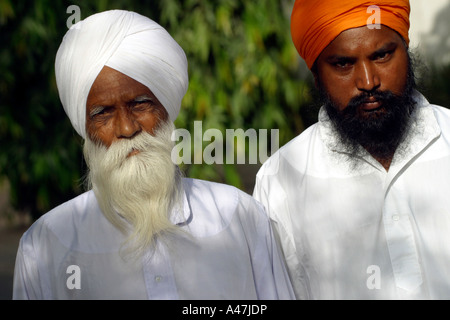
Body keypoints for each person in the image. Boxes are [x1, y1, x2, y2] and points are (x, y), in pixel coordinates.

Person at [12, 10, 294, 300]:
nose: (126, 128)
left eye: (140, 104)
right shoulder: (46, 246)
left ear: (165, 108)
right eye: (103, 113)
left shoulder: (239, 216)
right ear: (85, 128)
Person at [253, 0, 450, 299]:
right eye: (343, 64)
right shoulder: (282, 179)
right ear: (317, 76)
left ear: (406, 54)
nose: (368, 82)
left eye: (382, 55)